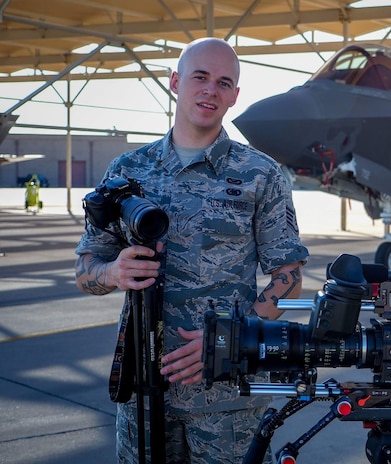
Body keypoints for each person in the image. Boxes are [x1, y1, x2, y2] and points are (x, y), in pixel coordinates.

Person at [74, 37, 309, 463]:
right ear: (175, 82)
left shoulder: (260, 174)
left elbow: (288, 279)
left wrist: (228, 342)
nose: (210, 90)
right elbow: (86, 267)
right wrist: (113, 273)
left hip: (228, 402)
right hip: (144, 394)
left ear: (235, 96)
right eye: (200, 77)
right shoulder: (127, 171)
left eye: (223, 83)